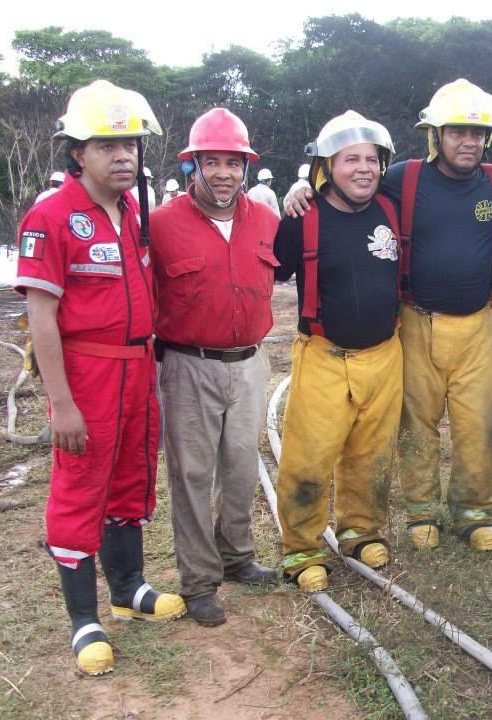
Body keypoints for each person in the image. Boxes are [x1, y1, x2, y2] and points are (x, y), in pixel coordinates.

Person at [285, 79, 492, 552]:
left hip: (476, 325)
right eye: (457, 132)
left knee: (477, 425)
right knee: (413, 426)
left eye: (476, 133)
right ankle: (419, 512)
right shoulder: (402, 181)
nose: (468, 141)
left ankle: (471, 512)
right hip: (411, 323)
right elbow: (340, 187)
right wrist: (300, 187)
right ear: (436, 136)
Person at [14, 79, 185, 676]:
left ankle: (128, 588)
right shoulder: (52, 216)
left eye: (130, 145)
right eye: (106, 146)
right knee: (81, 485)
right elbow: (41, 316)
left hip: (137, 367)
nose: (122, 156)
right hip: (86, 373)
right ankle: (84, 619)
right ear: (77, 153)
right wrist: (61, 403)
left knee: (131, 478)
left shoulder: (134, 211)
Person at [151, 107, 280, 626]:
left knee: (242, 466)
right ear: (193, 165)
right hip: (188, 365)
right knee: (192, 474)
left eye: (233, 162)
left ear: (246, 166)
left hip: (249, 364)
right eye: (212, 162)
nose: (224, 173)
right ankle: (200, 582)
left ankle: (237, 555)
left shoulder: (266, 220)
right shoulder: (160, 225)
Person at [273, 111, 401, 592]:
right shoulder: (302, 218)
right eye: (351, 159)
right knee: (308, 458)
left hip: (385, 356)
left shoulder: (391, 208)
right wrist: (294, 191)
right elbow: (272, 271)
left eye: (371, 159)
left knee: (372, 452)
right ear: (327, 166)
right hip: (323, 356)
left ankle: (360, 531)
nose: (363, 168)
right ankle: (302, 549)